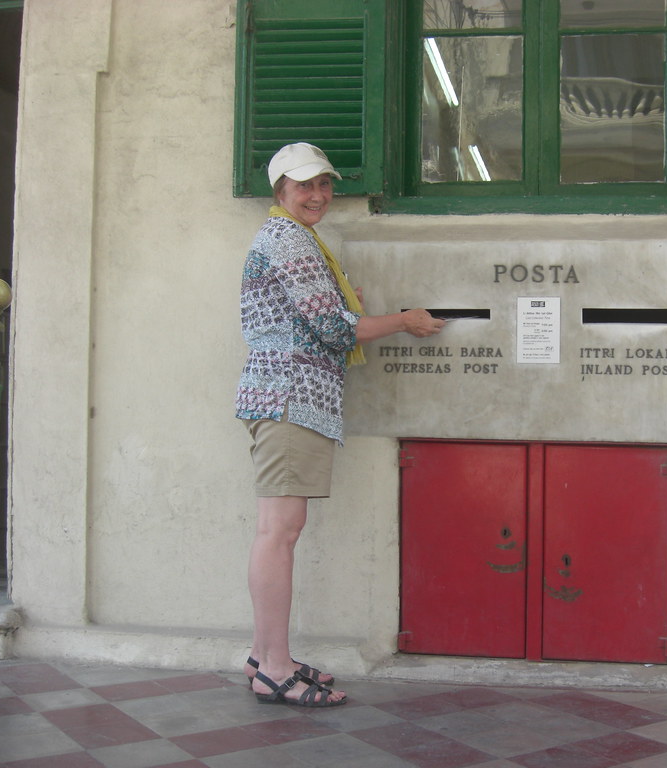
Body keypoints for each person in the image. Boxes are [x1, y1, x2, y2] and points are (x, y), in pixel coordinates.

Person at [235, 142, 445, 707]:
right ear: (280, 191)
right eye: (304, 186)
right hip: (289, 395)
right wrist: (403, 320)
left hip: (290, 397)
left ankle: (265, 654)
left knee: (279, 529)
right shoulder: (287, 240)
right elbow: (332, 327)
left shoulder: (296, 239)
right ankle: (273, 666)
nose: (317, 195)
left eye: (324, 185)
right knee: (280, 531)